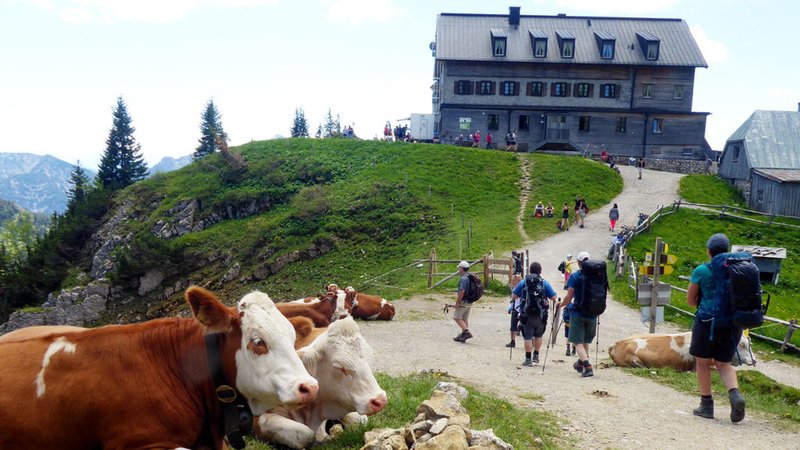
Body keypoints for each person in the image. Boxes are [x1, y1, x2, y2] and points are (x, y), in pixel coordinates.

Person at [687, 233, 746, 422]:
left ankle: (706, 405)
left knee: (703, 363)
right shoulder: (738, 270)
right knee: (724, 364)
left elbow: (690, 301)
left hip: (707, 323)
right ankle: (735, 395)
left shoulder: (702, 271)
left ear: (709, 251)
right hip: (732, 325)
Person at [511, 262, 557, 366]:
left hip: (526, 314)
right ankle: (536, 355)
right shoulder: (544, 283)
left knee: (527, 336)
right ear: (540, 271)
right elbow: (553, 298)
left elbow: (514, 296)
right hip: (541, 315)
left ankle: (528, 359)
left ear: (530, 270)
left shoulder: (524, 282)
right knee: (538, 335)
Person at [559, 252, 597, 377]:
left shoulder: (575, 276)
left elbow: (569, 296)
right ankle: (580, 364)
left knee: (576, 342)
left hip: (578, 313)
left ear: (579, 262)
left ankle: (587, 366)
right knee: (586, 340)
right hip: (593, 313)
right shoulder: (597, 275)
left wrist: (561, 305)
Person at [452, 261, 474, 343]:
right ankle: (463, 336)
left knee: (457, 317)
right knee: (464, 318)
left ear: (461, 268)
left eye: (459, 268)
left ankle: (466, 332)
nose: (458, 269)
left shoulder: (463, 278)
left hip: (464, 301)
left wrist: (457, 303)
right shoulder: (470, 276)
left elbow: (462, 291)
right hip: (470, 300)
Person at [505, 274, 523, 348]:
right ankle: (513, 341)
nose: (511, 282)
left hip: (521, 308)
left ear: (518, 281)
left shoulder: (522, 288)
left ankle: (529, 340)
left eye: (513, 280)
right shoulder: (513, 288)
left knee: (524, 325)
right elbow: (512, 300)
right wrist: (510, 307)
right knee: (513, 326)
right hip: (515, 308)